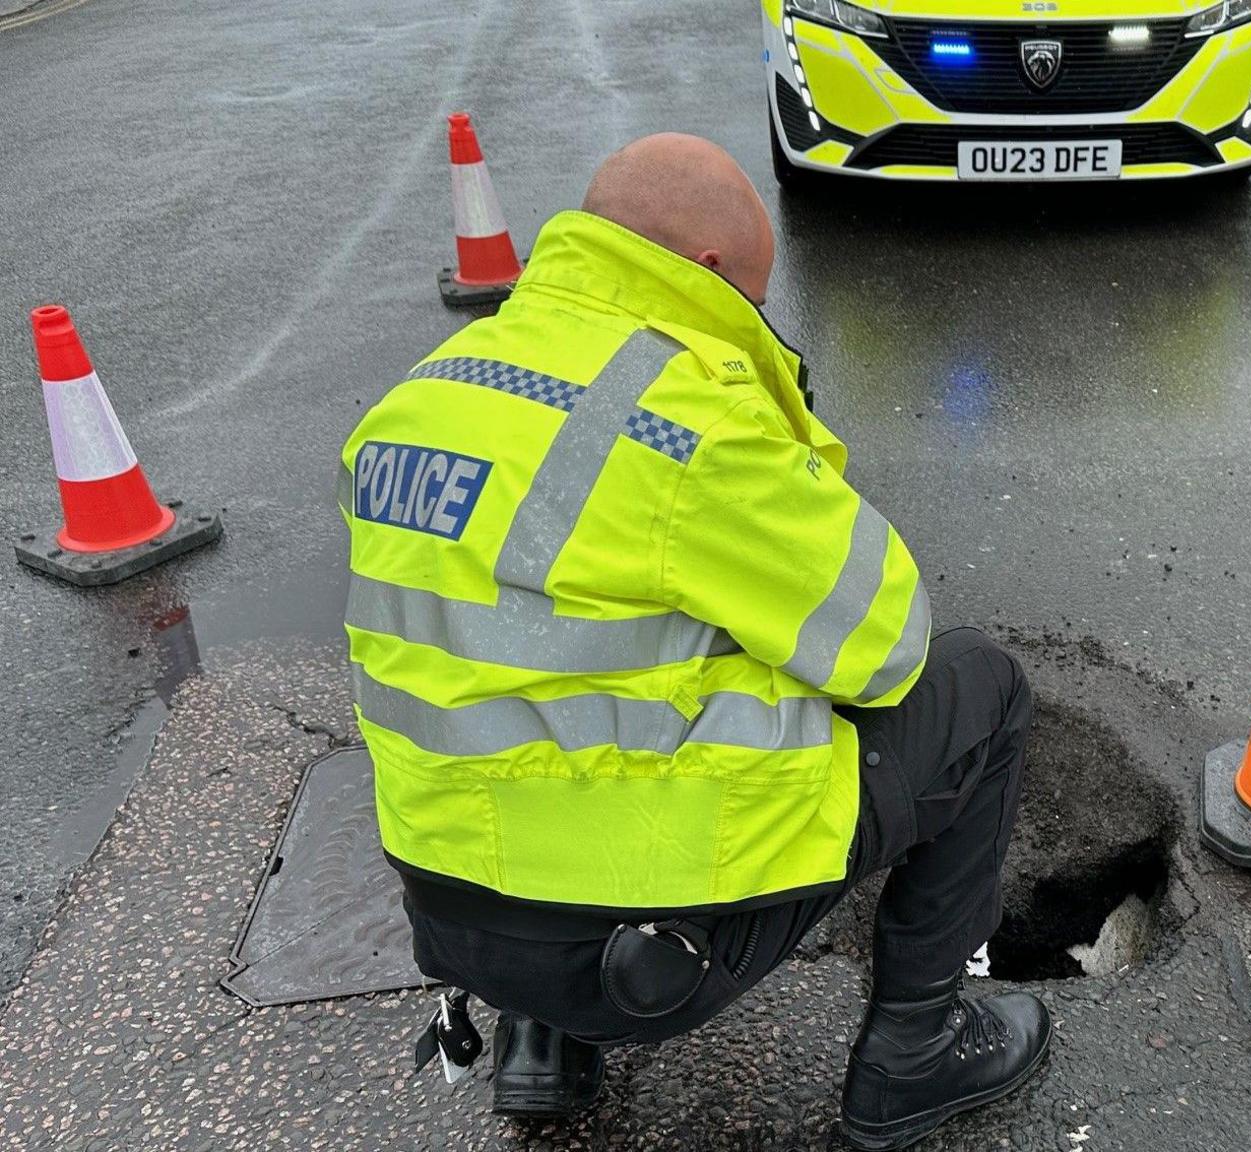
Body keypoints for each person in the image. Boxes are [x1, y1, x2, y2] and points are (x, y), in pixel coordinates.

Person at [338, 134, 1047, 1149]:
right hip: (642, 955)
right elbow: (884, 644)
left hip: (453, 921)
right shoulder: (683, 423)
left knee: (525, 685)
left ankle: (536, 1049)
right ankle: (915, 1052)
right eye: (750, 301)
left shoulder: (417, 400)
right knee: (981, 685)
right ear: (706, 273)